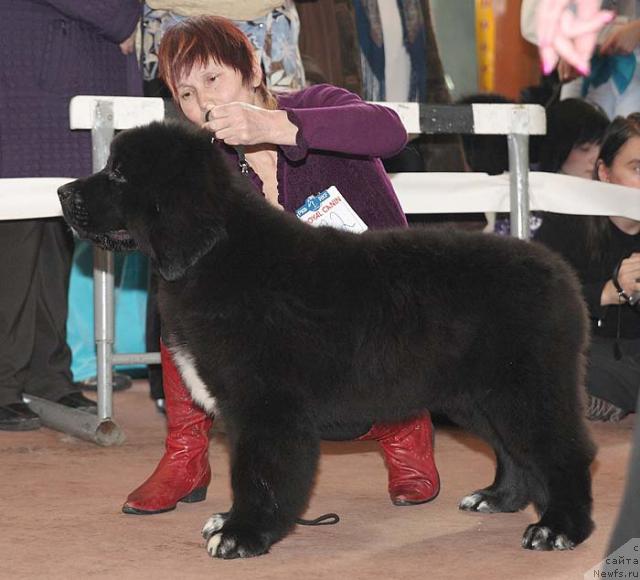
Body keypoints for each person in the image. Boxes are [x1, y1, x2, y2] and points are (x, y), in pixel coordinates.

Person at [123, 15, 440, 514]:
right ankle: (185, 455)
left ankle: (403, 427)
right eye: (185, 93)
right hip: (296, 327)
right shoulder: (208, 163)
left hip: (376, 309)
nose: (202, 102)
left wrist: (276, 125)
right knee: (181, 288)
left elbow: (390, 132)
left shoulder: (319, 104)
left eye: (212, 79)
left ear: (251, 66)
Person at [0, 1, 142, 431]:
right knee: (18, 234)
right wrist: (121, 16)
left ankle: (46, 373)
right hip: (32, 81)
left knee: (52, 231)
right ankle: (5, 380)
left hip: (57, 85)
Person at [536, 113, 640, 422]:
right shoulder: (567, 222)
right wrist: (609, 292)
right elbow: (536, 303)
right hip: (586, 350)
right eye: (637, 168)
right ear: (605, 173)